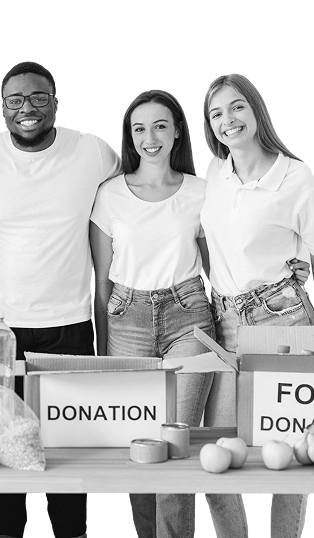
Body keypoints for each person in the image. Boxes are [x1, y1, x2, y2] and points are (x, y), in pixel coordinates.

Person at [0, 60, 121, 538]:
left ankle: (71, 532)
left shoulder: (92, 151)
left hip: (69, 322)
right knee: (1, 440)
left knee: (65, 446)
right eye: (15, 100)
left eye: (37, 98)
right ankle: (5, 532)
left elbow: (143, 191)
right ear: (2, 108)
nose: (26, 109)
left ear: (55, 102)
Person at [91, 89, 250, 538]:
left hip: (189, 317)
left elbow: (226, 258)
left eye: (160, 125)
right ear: (129, 137)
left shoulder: (202, 191)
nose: (150, 137)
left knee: (176, 441)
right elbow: (101, 281)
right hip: (127, 318)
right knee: (142, 447)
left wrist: (295, 256)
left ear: (177, 130)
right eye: (139, 128)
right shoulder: (109, 195)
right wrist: (104, 347)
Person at [200, 73, 314, 538]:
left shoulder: (295, 176)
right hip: (223, 321)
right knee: (217, 452)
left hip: (283, 318)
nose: (227, 120)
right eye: (216, 114)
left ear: (256, 110)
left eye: (236, 107)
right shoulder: (214, 173)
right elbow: (210, 242)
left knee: (289, 452)